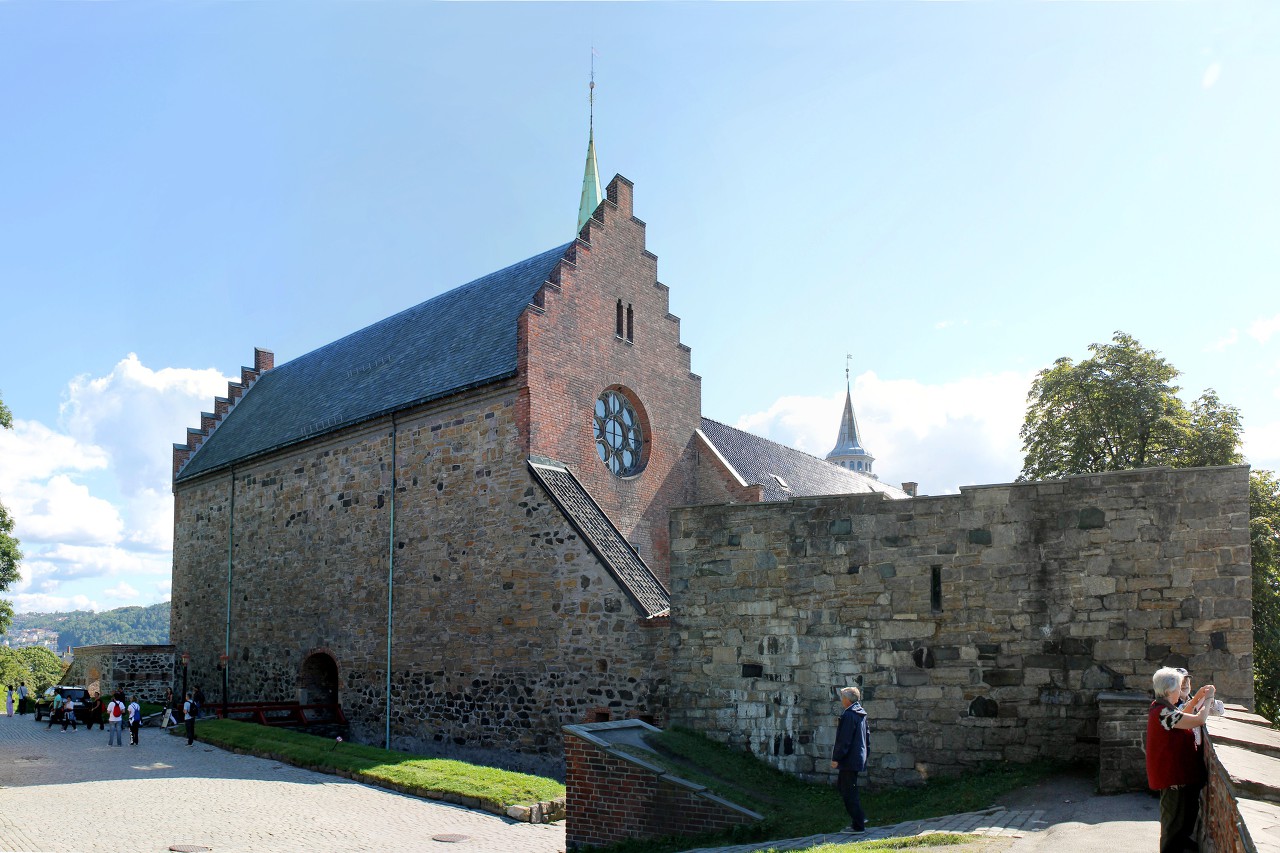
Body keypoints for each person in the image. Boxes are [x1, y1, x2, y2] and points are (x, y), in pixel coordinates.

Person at [1148, 666, 1212, 853]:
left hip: (1176, 777)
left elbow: (1184, 715)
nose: (1181, 691)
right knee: (1172, 826)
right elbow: (1199, 719)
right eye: (1178, 688)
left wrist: (1199, 695)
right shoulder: (1163, 713)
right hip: (1171, 779)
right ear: (1169, 691)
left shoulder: (1163, 708)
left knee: (1179, 822)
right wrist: (1208, 699)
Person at [830, 685, 871, 835]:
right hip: (857, 757)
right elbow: (867, 737)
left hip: (849, 759)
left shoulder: (848, 715)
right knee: (844, 787)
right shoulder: (860, 714)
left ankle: (859, 822)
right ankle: (858, 819)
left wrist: (836, 758)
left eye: (842, 698)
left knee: (848, 791)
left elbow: (844, 740)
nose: (841, 701)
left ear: (847, 700)